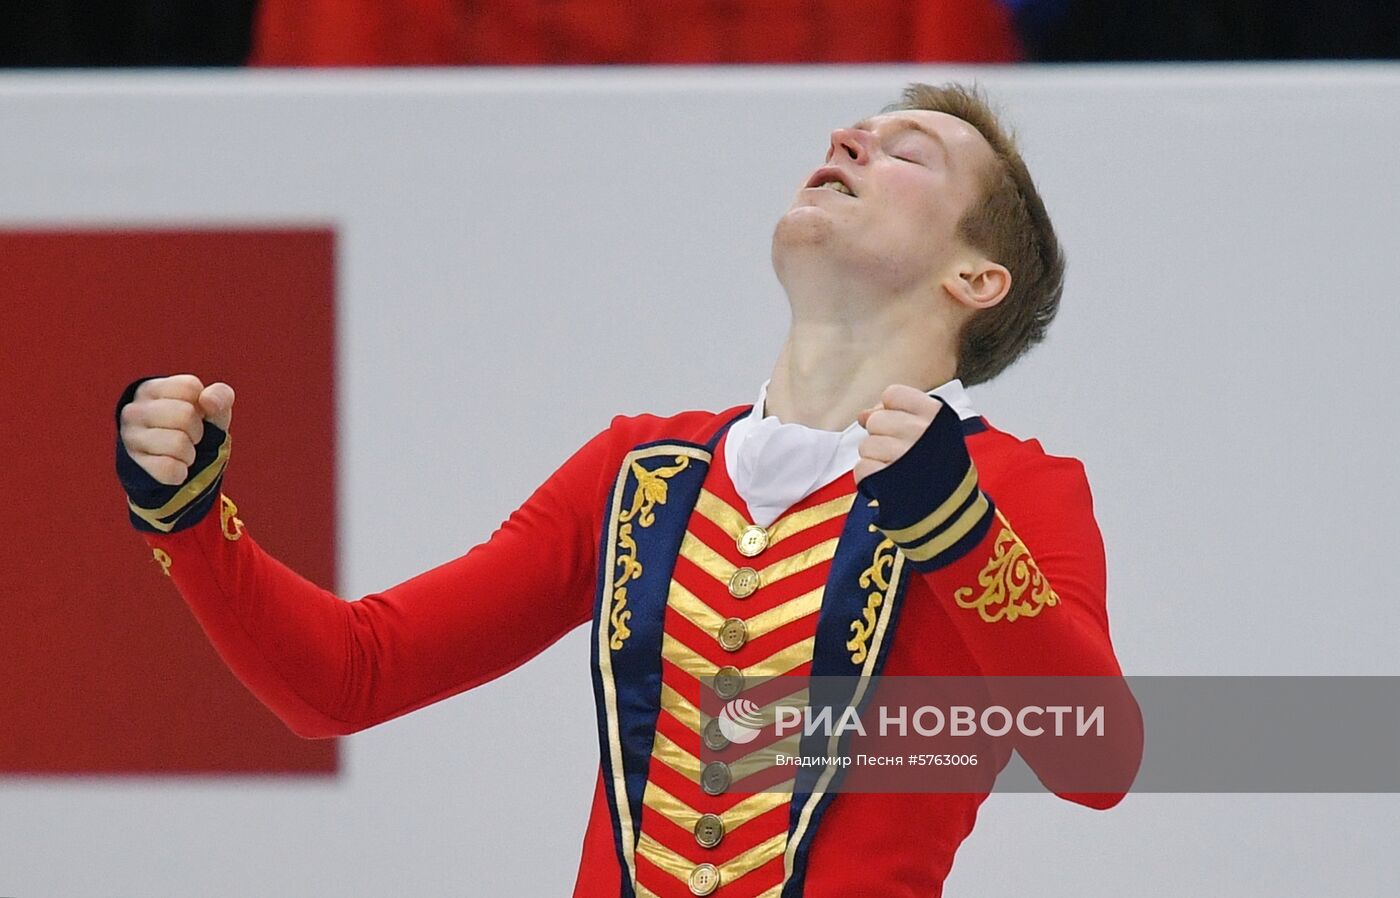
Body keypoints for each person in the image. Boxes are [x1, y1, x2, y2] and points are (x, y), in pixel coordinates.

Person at [113, 82, 1141, 897]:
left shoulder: (1012, 486)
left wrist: (953, 524)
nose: (848, 139)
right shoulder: (640, 468)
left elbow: (1095, 758)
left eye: (907, 150)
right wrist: (192, 523)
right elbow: (347, 678)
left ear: (975, 279)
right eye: (852, 132)